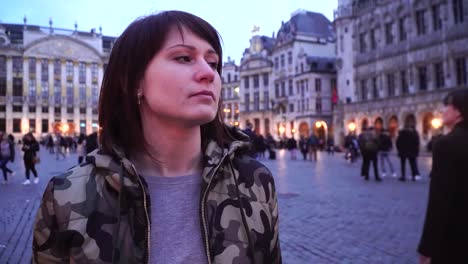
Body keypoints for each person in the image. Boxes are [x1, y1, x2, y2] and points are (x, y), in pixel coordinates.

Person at [32, 11, 281, 263]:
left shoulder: (254, 183)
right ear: (133, 82)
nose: (208, 73)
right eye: (184, 57)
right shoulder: (68, 196)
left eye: (213, 63)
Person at [418, 88, 468, 263]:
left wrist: (426, 247)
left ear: (459, 111)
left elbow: (439, 201)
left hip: (455, 236)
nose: (443, 110)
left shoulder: (446, 144)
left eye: (447, 106)